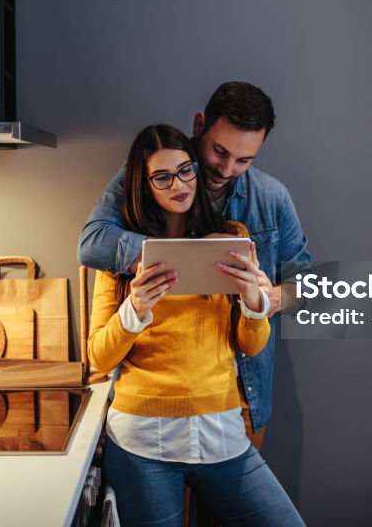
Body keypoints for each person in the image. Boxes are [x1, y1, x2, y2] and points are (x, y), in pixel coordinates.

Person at [87, 124, 304, 526]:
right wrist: (135, 307)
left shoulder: (230, 238)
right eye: (162, 177)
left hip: (221, 433)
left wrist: (256, 303)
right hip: (142, 441)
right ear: (144, 184)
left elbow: (251, 346)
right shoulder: (120, 261)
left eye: (186, 170)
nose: (179, 184)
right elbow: (98, 356)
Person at [79, 81, 312, 443]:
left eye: (244, 160)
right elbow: (92, 243)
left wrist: (269, 298)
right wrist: (185, 252)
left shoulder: (271, 199)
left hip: (243, 395)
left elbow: (308, 287)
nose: (227, 168)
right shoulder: (152, 171)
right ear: (199, 125)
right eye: (220, 152)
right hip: (153, 408)